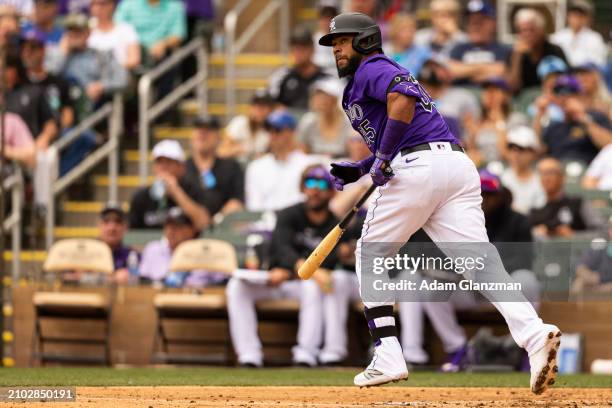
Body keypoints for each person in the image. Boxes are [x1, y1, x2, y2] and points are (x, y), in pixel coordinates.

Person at [319, 12, 561, 393]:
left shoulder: (373, 66)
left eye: (342, 41)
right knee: (479, 262)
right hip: (452, 165)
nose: (336, 49)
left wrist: (381, 159)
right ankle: (534, 335)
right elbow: (402, 130)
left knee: (369, 252)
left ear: (365, 40)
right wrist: (366, 166)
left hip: (419, 168)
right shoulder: (365, 77)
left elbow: (403, 102)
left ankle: (387, 353)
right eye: (333, 44)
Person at [401, 171, 541, 371]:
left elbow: (523, 260)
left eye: (491, 194)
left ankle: (528, 347)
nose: (485, 199)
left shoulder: (517, 221)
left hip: (501, 288)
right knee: (429, 288)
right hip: (465, 288)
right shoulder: (453, 219)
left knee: (527, 280)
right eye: (481, 193)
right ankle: (458, 348)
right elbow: (434, 256)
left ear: (500, 195)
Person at [226, 165, 338, 367]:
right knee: (236, 286)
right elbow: (282, 249)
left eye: (321, 184)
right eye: (310, 183)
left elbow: (331, 259)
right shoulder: (288, 214)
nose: (314, 190)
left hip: (299, 283)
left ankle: (306, 354)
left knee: (312, 287)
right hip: (275, 279)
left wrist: (291, 273)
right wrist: (290, 270)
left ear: (331, 191)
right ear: (303, 188)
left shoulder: (335, 224)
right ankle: (248, 355)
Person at [129, 140, 210, 231]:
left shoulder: (194, 190)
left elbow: (204, 224)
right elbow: (132, 234)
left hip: (186, 244)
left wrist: (177, 193)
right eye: (159, 162)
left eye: (169, 162)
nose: (163, 167)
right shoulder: (142, 196)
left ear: (182, 167)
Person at [245, 111, 317, 212]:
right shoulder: (256, 167)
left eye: (278, 130)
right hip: (265, 224)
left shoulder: (309, 165)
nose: (272, 135)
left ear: (292, 132)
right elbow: (254, 207)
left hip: (298, 223)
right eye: (269, 130)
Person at [52, 13, 128, 108]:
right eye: (70, 31)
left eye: (78, 31)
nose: (74, 35)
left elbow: (122, 79)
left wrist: (101, 86)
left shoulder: (100, 55)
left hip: (91, 106)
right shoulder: (55, 53)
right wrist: (63, 53)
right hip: (62, 104)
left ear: (88, 33)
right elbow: (46, 78)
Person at [139, 207, 225, 288]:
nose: (170, 231)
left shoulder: (207, 251)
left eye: (176, 227)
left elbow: (222, 282)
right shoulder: (153, 249)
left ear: (192, 230)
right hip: (159, 298)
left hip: (198, 300)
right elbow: (142, 281)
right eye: (167, 226)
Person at [539, 75, 612, 164]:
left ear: (580, 95)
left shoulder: (595, 117)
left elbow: (609, 146)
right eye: (559, 93)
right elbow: (538, 152)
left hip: (589, 170)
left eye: (569, 92)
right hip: (559, 172)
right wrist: (540, 114)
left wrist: (583, 118)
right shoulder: (553, 125)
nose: (564, 98)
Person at [184, 116, 245, 217]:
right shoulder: (183, 168)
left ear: (218, 137)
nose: (202, 134)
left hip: (222, 227)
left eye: (208, 130)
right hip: (186, 226)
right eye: (199, 129)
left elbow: (237, 201)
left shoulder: (231, 167)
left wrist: (218, 220)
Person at [529, 157, 602, 239]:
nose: (546, 178)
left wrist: (573, 235)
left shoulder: (578, 202)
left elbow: (601, 232)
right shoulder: (534, 207)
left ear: (562, 177)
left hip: (575, 250)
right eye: (541, 173)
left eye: (550, 172)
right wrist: (537, 233)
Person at [464, 77, 526, 166]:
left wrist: (500, 123)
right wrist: (472, 134)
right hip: (481, 168)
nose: (489, 94)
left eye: (494, 90)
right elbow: (471, 153)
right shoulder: (477, 121)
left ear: (505, 95)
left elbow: (511, 155)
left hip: (505, 168)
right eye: (486, 90)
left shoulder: (516, 119)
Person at [447, 0, 510, 86]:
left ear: (493, 23)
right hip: (462, 94)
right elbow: (451, 71)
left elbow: (502, 71)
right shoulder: (458, 49)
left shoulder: (503, 50)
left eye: (480, 21)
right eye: (472, 22)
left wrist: (465, 72)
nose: (475, 26)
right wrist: (487, 70)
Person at [417, 56, 480, 140]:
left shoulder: (462, 96)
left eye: (436, 67)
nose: (432, 70)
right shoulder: (416, 99)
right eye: (429, 66)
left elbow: (473, 128)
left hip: (456, 146)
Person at [268, 26, 329, 112]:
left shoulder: (327, 78)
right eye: (295, 48)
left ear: (312, 49)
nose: (298, 52)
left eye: (303, 48)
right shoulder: (282, 77)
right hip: (289, 124)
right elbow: (272, 104)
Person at [5, 54, 58, 151]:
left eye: (5, 68)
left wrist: (44, 139)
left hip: (29, 150)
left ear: (15, 69)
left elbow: (51, 123)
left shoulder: (33, 91)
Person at [508, 8, 568, 93]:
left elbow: (566, 82)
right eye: (523, 30)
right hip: (524, 101)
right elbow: (512, 88)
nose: (527, 34)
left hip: (552, 97)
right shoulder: (515, 54)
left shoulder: (555, 51)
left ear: (542, 30)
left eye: (531, 30)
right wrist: (517, 57)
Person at [114, 0, 186, 66]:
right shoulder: (128, 4)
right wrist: (133, 47)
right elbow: (115, 27)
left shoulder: (175, 6)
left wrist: (164, 44)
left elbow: (178, 35)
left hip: (161, 59)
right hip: (131, 55)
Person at [297, 78, 353, 157]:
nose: (320, 100)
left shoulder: (350, 124)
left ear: (336, 100)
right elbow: (303, 154)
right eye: (317, 95)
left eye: (326, 96)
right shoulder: (308, 122)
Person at [218, 89, 275, 162]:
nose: (259, 109)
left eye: (263, 106)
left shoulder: (274, 130)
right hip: (237, 168)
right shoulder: (239, 123)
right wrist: (237, 150)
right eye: (256, 105)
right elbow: (221, 151)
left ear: (270, 109)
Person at [501, 126, 546, 215]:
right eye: (511, 148)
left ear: (533, 153)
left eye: (521, 149)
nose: (515, 154)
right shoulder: (502, 178)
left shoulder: (541, 181)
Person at [551, 0, 607, 68]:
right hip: (562, 74)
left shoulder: (595, 38)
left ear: (587, 18)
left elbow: (599, 62)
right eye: (574, 15)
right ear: (568, 17)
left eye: (580, 15)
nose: (577, 19)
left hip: (584, 74)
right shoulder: (558, 36)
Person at [88, 0, 141, 71]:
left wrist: (110, 70)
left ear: (113, 5)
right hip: (88, 76)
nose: (97, 8)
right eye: (94, 4)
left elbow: (134, 60)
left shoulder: (126, 29)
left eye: (103, 4)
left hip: (118, 76)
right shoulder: (84, 27)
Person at [98, 203, 140, 284]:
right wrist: (113, 278)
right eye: (106, 221)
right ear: (99, 225)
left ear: (125, 227)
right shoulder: (88, 252)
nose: (112, 228)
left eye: (118, 221)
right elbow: (73, 277)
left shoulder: (133, 255)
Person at [571, 216, 612, 296]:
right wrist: (592, 278)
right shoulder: (600, 248)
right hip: (596, 288)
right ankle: (576, 308)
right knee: (579, 283)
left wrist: (606, 288)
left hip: (606, 291)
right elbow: (580, 268)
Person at [21, 0, 64, 71]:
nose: (39, 9)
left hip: (52, 76)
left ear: (54, 8)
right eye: (37, 5)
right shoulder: (24, 29)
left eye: (44, 5)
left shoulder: (62, 35)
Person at [385, 13, 430, 77]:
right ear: (394, 31)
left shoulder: (421, 52)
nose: (409, 34)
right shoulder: (384, 51)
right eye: (404, 30)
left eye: (411, 30)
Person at [312, 1, 339, 71]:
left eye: (331, 17)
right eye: (324, 16)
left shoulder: (344, 41)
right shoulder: (311, 41)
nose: (327, 21)